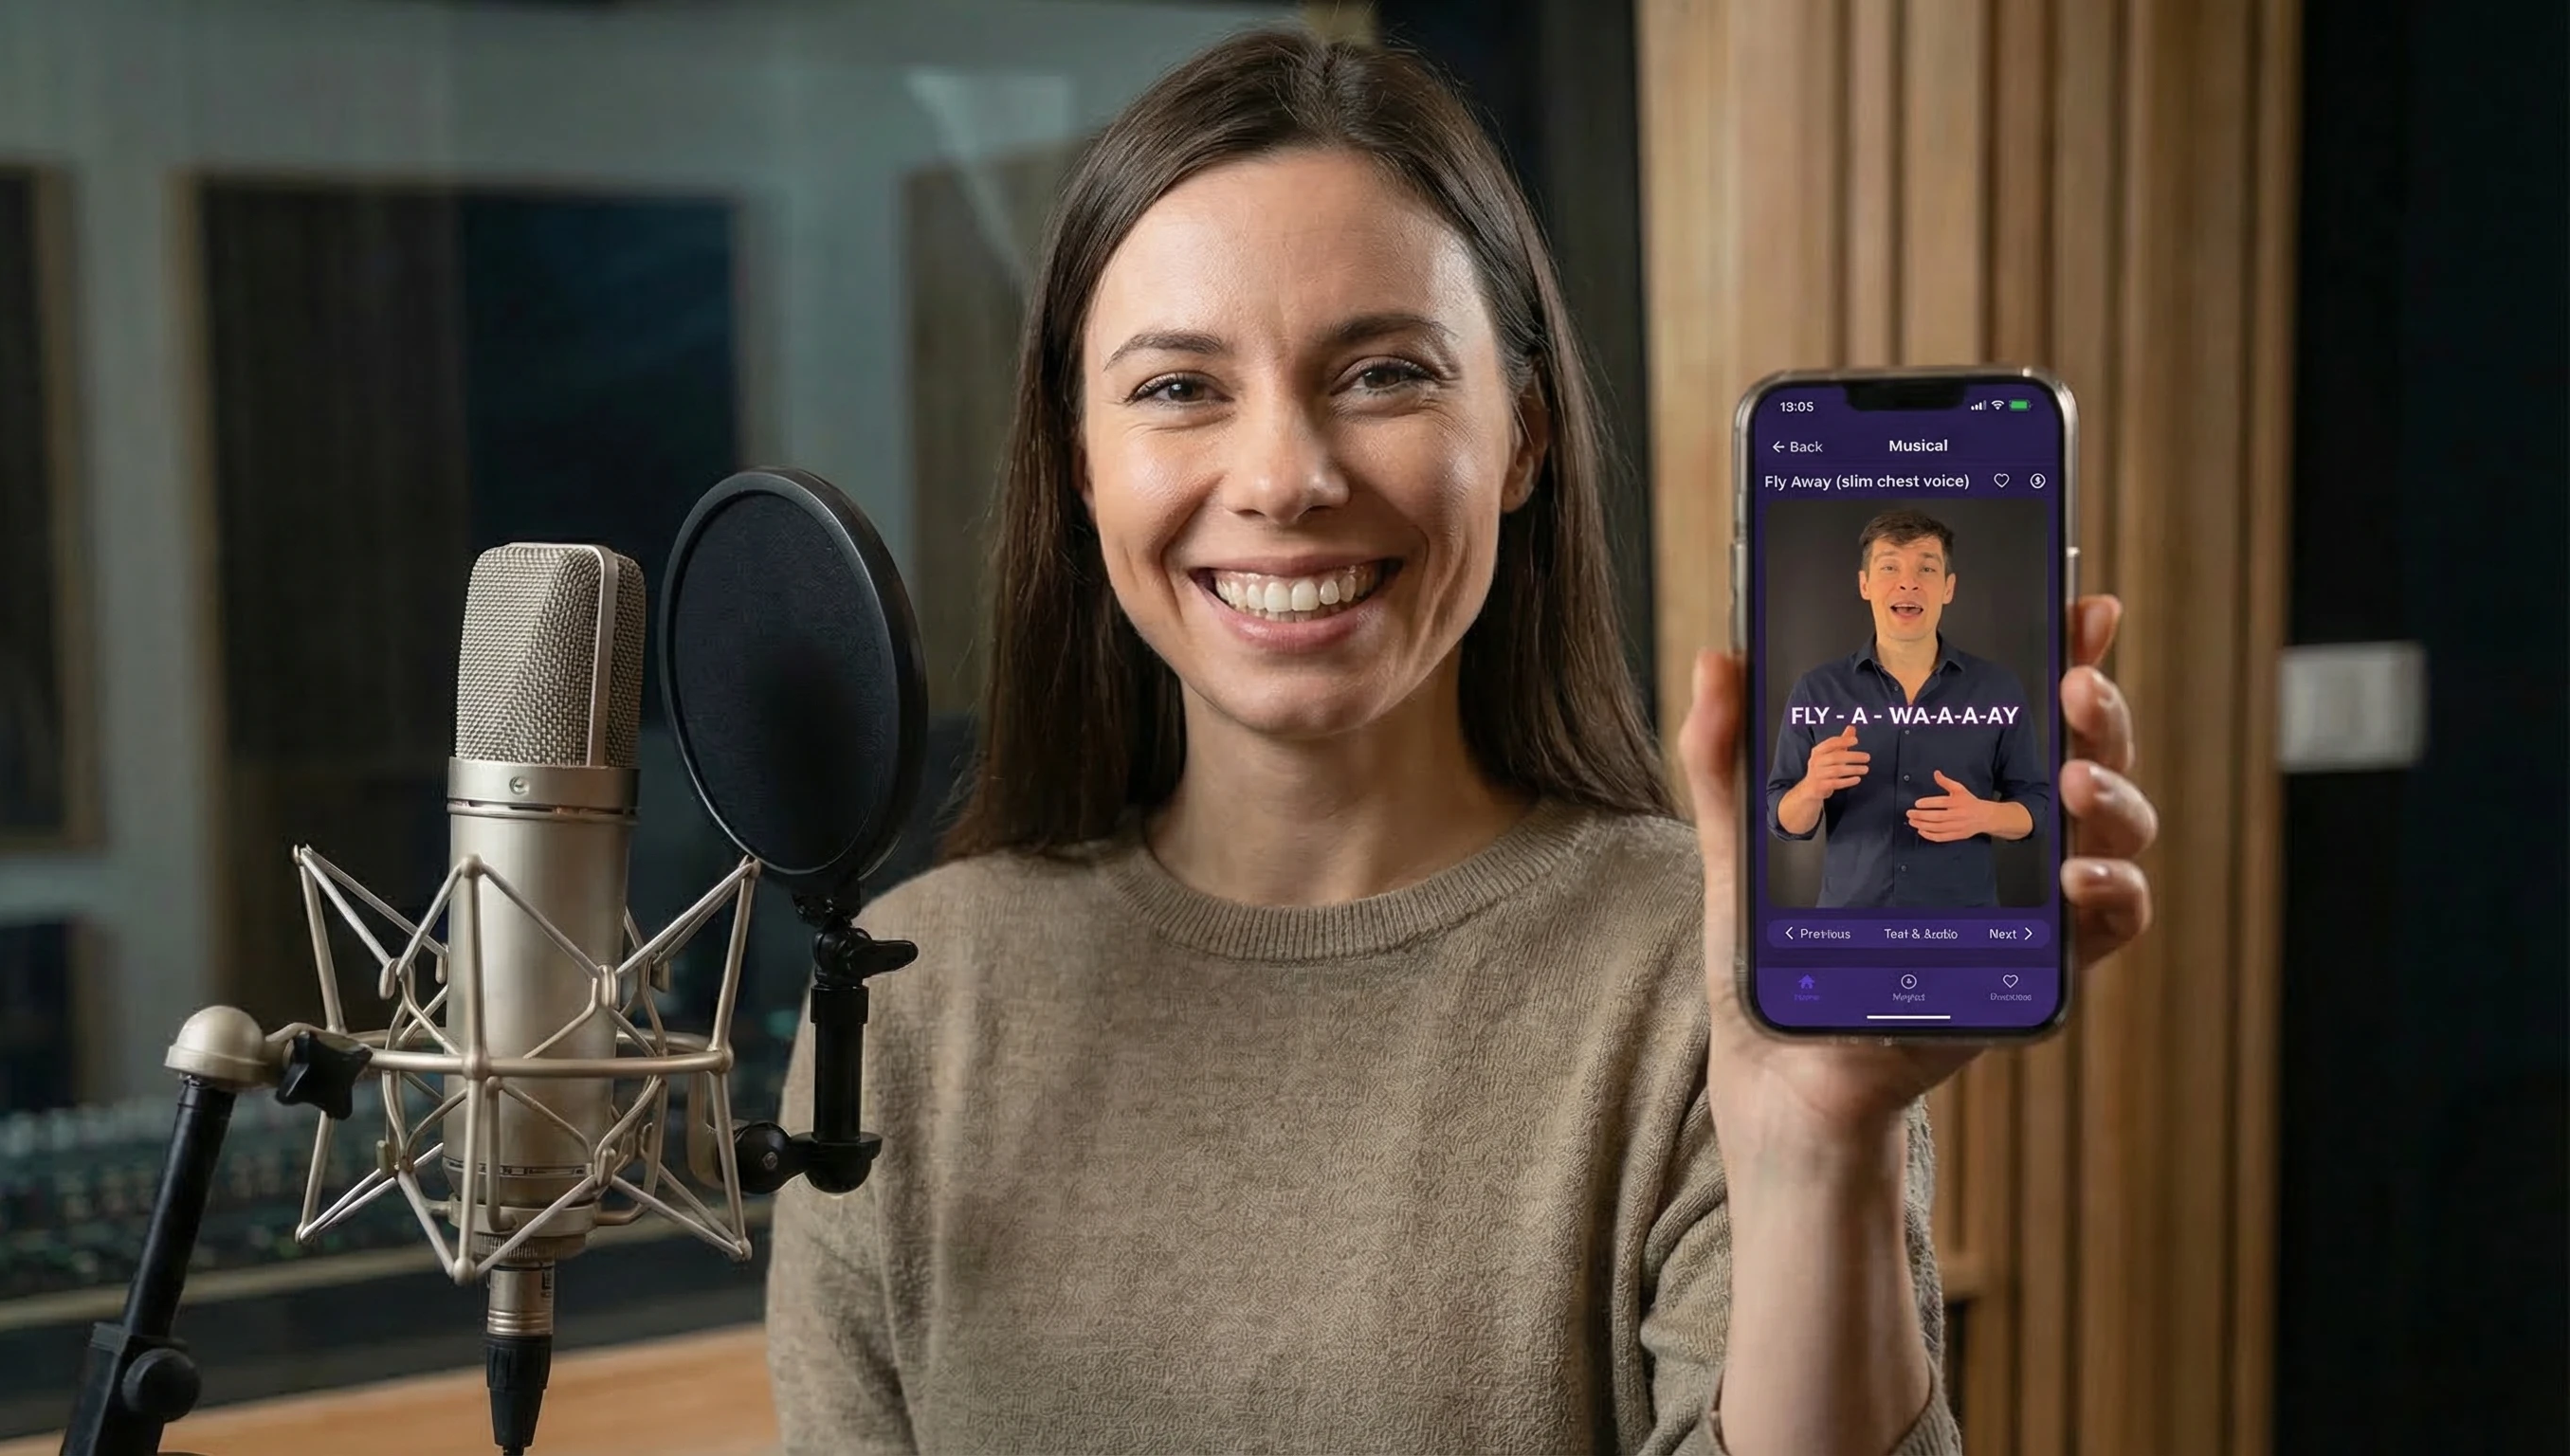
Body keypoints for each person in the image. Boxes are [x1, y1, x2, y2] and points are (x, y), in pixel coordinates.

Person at [764, 27, 2158, 1456]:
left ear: (1527, 435)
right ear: (1080, 463)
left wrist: (1821, 1144)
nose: (1285, 478)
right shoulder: (907, 1007)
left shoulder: (1719, 980)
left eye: (1383, 374)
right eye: (1179, 387)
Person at [1765, 509, 2055, 909]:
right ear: (1864, 584)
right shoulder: (1816, 691)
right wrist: (1811, 788)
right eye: (1889, 567)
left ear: (1948, 588)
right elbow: (1783, 820)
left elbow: (2039, 805)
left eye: (1926, 569)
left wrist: (1984, 816)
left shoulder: (1997, 689)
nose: (1908, 583)